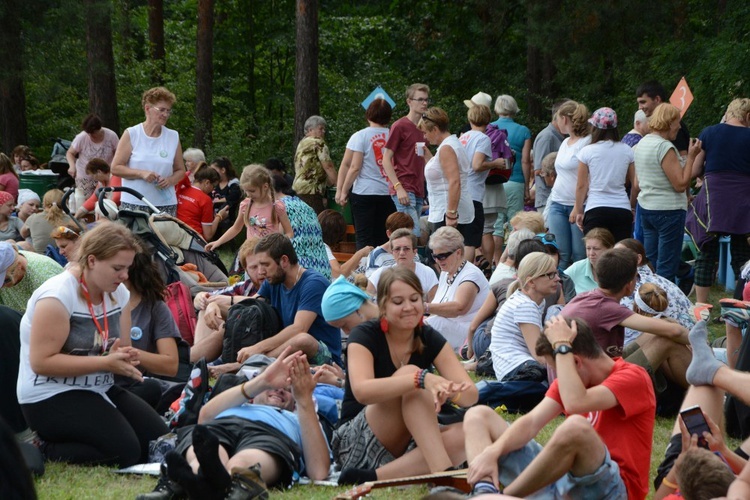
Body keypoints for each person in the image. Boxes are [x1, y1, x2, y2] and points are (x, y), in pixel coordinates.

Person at [16, 222, 168, 466]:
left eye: (128, 268)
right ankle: (43, 447)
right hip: (49, 395)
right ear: (92, 260)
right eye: (118, 268)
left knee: (156, 442)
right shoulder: (57, 296)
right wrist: (106, 361)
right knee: (126, 453)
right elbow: (41, 362)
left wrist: (123, 357)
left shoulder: (120, 294)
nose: (125, 276)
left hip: (99, 387)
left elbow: (120, 349)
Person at [464, 315, 655, 499]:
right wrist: (493, 451)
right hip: (564, 481)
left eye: (557, 368)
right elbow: (531, 423)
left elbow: (576, 402)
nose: (557, 375)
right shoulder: (570, 379)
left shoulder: (633, 377)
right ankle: (484, 491)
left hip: (613, 490)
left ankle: (504, 498)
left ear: (575, 362)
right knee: (477, 416)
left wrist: (562, 346)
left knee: (576, 429)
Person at [334, 267, 478, 485]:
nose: (409, 307)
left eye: (414, 299)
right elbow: (362, 391)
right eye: (398, 302)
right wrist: (421, 379)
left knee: (473, 430)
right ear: (382, 306)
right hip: (356, 441)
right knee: (412, 377)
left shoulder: (428, 336)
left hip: (411, 439)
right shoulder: (363, 335)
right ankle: (443, 476)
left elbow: (471, 396)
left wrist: (449, 391)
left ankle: (375, 478)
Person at [138, 347, 330, 499]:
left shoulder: (299, 419)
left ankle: (197, 480)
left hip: (272, 434)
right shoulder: (238, 403)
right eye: (274, 386)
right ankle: (203, 476)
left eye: (288, 389)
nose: (280, 390)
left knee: (244, 462)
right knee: (210, 447)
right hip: (223, 426)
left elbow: (319, 472)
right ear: (253, 397)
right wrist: (263, 380)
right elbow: (205, 417)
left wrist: (304, 398)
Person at [562, 247, 691, 392]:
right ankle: (711, 391)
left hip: (580, 375)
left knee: (665, 326)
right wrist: (701, 343)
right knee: (666, 340)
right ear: (630, 284)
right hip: (593, 386)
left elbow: (668, 327)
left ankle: (698, 387)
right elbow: (674, 332)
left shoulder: (587, 297)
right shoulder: (607, 308)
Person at [235, 233, 341, 366]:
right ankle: (201, 365)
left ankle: (244, 365)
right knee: (224, 313)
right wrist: (214, 303)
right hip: (287, 352)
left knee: (302, 340)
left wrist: (258, 348)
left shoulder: (313, 283)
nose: (261, 272)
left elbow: (299, 328)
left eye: (265, 265)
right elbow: (251, 306)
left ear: (284, 261)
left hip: (324, 358)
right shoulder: (274, 279)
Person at [634, 103, 701, 282]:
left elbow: (637, 182)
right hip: (668, 210)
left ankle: (650, 304)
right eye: (677, 122)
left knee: (652, 264)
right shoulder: (664, 147)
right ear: (669, 122)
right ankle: (665, 305)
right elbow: (680, 184)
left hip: (647, 209)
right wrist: (692, 157)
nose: (679, 126)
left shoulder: (642, 143)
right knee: (666, 267)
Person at [691, 98, 750, 303]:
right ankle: (742, 303)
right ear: (748, 116)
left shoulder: (709, 132)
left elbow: (695, 170)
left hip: (713, 197)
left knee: (706, 252)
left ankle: (701, 308)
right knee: (742, 254)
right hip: (742, 199)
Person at [111, 87, 186, 216]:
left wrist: (170, 180)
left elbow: (181, 170)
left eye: (168, 111)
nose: (165, 114)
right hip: (134, 203)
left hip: (165, 205)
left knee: (163, 237)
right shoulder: (132, 133)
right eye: (161, 110)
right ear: (147, 109)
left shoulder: (173, 136)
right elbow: (116, 168)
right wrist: (141, 173)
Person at [190, 237, 264, 366]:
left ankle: (193, 362)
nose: (260, 271)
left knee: (224, 313)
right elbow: (207, 297)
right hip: (241, 338)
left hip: (259, 339)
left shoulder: (275, 284)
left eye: (264, 264)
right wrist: (200, 298)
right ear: (246, 270)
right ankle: (197, 363)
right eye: (253, 267)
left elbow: (259, 301)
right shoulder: (246, 285)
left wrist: (226, 301)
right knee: (207, 307)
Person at [488, 252, 559, 382]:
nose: (557, 279)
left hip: (512, 366)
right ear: (531, 281)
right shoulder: (525, 305)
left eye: (556, 273)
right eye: (550, 275)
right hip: (516, 370)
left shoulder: (535, 301)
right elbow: (540, 356)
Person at [335, 98, 396, 249]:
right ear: (389, 117)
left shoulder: (360, 136)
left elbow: (353, 166)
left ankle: (364, 268)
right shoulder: (393, 136)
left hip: (364, 192)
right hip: (389, 192)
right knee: (384, 236)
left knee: (363, 237)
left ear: (368, 115)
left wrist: (342, 190)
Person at [571, 107, 635, 242]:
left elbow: (581, 185)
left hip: (596, 207)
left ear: (594, 127)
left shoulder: (587, 151)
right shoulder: (627, 150)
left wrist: (579, 210)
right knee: (620, 255)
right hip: (621, 208)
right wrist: (632, 206)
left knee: (595, 254)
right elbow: (635, 184)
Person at [422, 226, 489, 351]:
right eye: (434, 256)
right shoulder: (445, 272)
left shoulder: (471, 274)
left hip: (470, 333)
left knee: (432, 323)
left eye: (442, 256)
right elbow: (438, 306)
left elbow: (460, 308)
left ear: (458, 253)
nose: (437, 260)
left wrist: (424, 307)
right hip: (452, 327)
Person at [545, 100, 592, 269]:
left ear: (564, 119)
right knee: (561, 253)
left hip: (577, 204)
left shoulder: (586, 142)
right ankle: (560, 290)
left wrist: (577, 207)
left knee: (579, 254)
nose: (556, 122)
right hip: (558, 202)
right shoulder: (565, 142)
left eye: (557, 118)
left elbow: (585, 180)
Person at [616, 238, 696, 335]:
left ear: (638, 259)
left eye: (620, 255)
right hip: (693, 338)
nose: (614, 259)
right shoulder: (661, 280)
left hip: (675, 341)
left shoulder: (633, 285)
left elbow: (629, 334)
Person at [206, 164, 293, 253]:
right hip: (252, 253)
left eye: (252, 191)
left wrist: (278, 244)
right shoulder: (246, 205)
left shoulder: (277, 206)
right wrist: (218, 242)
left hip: (271, 254)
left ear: (265, 187)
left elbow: (289, 233)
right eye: (245, 191)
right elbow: (236, 228)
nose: (248, 194)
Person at [381, 83, 430, 237]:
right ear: (409, 101)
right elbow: (386, 159)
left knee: (412, 234)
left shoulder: (425, 127)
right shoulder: (400, 126)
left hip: (419, 187)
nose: (424, 103)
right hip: (404, 185)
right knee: (411, 233)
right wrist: (398, 187)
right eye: (420, 99)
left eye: (426, 100)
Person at [418, 107, 475, 240]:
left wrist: (451, 214)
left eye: (425, 132)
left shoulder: (446, 148)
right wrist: (428, 157)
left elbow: (454, 181)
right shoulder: (453, 144)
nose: (425, 137)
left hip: (447, 212)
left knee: (442, 255)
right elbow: (443, 174)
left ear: (435, 129)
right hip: (447, 209)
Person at [272, 174, 331, 280]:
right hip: (323, 271)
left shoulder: (278, 207)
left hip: (298, 273)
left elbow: (275, 240)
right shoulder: (305, 206)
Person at [458, 104, 498, 262]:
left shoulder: (463, 137)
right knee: (471, 241)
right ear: (488, 120)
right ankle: (464, 272)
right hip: (473, 194)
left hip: (459, 191)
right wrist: (496, 163)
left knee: (460, 238)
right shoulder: (483, 139)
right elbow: (477, 165)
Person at [489, 95, 532, 221]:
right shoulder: (523, 131)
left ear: (496, 109)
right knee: (516, 223)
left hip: (494, 180)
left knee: (495, 226)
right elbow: (525, 161)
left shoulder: (489, 128)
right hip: (515, 181)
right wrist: (526, 188)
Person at [367, 228, 438, 301]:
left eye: (406, 249)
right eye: (397, 249)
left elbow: (434, 306)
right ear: (392, 252)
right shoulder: (380, 274)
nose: (401, 253)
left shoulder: (427, 273)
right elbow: (365, 301)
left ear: (415, 252)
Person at [65, 113, 119, 209]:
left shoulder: (111, 136)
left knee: (105, 199)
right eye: (88, 133)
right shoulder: (82, 137)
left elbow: (118, 153)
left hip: (104, 174)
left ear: (99, 129)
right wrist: (71, 165)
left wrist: (115, 168)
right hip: (85, 175)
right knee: (84, 200)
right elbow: (70, 153)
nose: (90, 135)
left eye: (93, 133)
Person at [292, 115, 337, 214]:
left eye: (324, 129)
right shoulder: (318, 143)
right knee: (316, 221)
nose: (323, 131)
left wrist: (330, 183)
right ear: (310, 130)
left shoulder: (302, 143)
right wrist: (339, 186)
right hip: (312, 191)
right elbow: (328, 167)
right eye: (321, 128)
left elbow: (318, 168)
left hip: (298, 189)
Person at [0, 241, 63, 311]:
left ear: (19, 266)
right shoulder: (15, 261)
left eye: (5, 280)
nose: (2, 287)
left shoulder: (43, 278)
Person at [353, 211, 417, 278]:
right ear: (389, 234)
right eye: (399, 235)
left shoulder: (412, 251)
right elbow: (372, 282)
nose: (404, 238)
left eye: (408, 234)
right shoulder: (377, 255)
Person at [532, 99, 569, 215]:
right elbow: (539, 170)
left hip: (559, 198)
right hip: (548, 199)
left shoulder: (561, 137)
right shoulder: (547, 137)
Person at [636, 80, 690, 155]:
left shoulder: (673, 123)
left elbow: (683, 158)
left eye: (643, 102)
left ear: (657, 99)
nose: (639, 107)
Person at [176, 165, 228, 241]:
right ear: (207, 183)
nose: (212, 190)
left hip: (176, 233)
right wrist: (219, 217)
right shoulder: (205, 199)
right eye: (213, 186)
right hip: (194, 239)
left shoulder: (182, 189)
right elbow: (208, 235)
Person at [318, 209, 372, 280]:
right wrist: (361, 253)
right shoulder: (322, 247)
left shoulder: (316, 245)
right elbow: (339, 273)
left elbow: (334, 270)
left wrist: (350, 266)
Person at [563, 227, 614, 294]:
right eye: (588, 248)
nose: (591, 253)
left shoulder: (618, 269)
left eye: (596, 249)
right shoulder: (577, 268)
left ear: (609, 249)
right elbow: (558, 283)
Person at [21, 189, 71, 253]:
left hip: (40, 258)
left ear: (44, 203)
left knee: (28, 236)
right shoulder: (70, 220)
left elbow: (23, 235)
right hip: (63, 258)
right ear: (64, 203)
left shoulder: (33, 218)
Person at [209, 156, 241, 239]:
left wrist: (216, 202)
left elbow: (233, 198)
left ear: (223, 170)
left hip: (227, 213)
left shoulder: (233, 184)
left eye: (214, 170)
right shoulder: (214, 183)